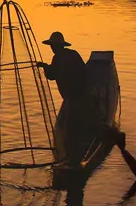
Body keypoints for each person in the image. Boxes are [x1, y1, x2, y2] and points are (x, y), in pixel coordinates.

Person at [38, 31, 94, 164]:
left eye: (53, 45)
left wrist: (45, 67)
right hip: (79, 94)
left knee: (72, 128)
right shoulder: (71, 54)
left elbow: (52, 75)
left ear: (58, 46)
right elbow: (83, 72)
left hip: (74, 96)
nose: (52, 48)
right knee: (80, 122)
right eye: (52, 45)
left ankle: (73, 158)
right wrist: (45, 66)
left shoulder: (59, 58)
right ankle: (74, 154)